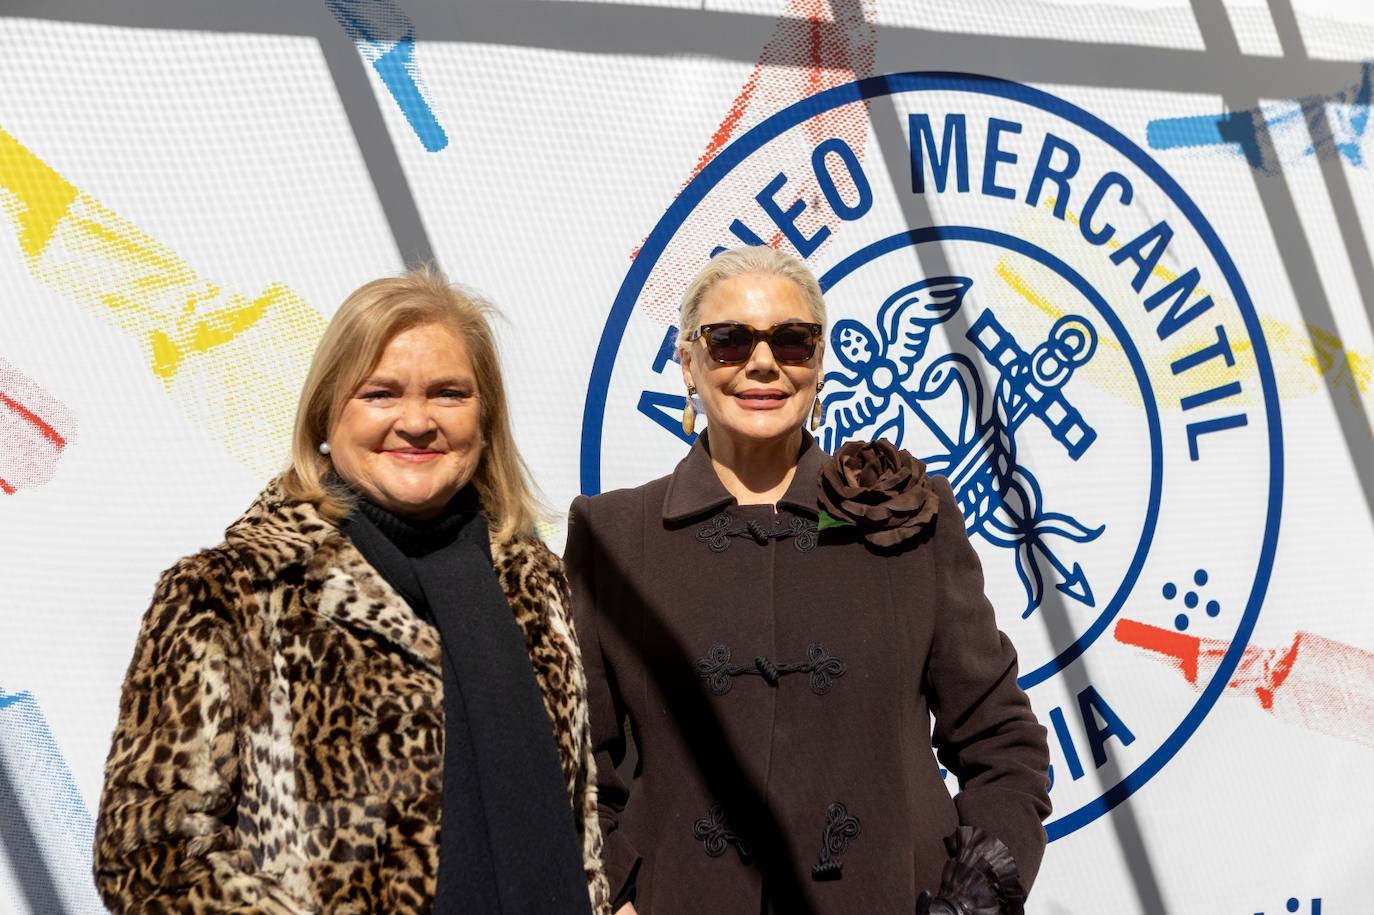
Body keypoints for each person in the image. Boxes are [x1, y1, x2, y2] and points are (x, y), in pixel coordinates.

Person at [94, 269, 611, 914]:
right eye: (380, 393)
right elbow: (149, 858)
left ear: (486, 420)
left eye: (449, 393)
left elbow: (583, 821)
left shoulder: (535, 586)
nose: (416, 421)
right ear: (325, 415)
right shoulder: (226, 595)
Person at [565, 246, 1051, 915]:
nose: (762, 363)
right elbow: (579, 760)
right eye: (729, 340)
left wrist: (970, 900)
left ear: (819, 364)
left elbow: (1002, 742)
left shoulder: (911, 519)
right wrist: (615, 895)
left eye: (792, 342)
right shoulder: (614, 532)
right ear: (688, 362)